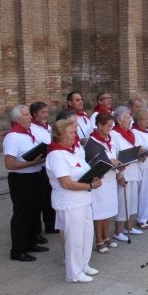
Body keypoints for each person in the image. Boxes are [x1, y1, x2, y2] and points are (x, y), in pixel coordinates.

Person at [46, 119, 102, 282]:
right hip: (69, 202)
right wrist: (89, 185)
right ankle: (74, 273)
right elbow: (66, 182)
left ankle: (84, 265)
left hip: (83, 199)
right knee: (74, 238)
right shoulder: (56, 155)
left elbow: (82, 172)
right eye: (71, 132)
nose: (74, 135)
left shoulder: (71, 151)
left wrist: (95, 178)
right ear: (60, 135)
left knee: (86, 234)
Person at [3, 105, 47, 261]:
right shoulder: (13, 136)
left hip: (36, 176)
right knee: (22, 214)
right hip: (21, 180)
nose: (30, 117)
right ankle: (18, 250)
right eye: (27, 115)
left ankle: (32, 242)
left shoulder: (27, 134)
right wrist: (32, 163)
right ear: (17, 118)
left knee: (35, 211)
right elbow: (9, 164)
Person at [87, 112, 121, 253]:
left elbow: (113, 156)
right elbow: (92, 161)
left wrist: (119, 168)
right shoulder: (93, 141)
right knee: (99, 210)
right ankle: (99, 240)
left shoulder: (110, 138)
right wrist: (110, 162)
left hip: (111, 177)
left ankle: (106, 236)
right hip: (99, 180)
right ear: (99, 125)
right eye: (108, 126)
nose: (110, 128)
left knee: (108, 209)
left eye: (112, 125)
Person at [111, 106, 144, 242]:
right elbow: (114, 155)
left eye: (130, 117)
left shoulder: (132, 133)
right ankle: (118, 231)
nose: (130, 120)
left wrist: (142, 154)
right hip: (123, 172)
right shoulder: (114, 135)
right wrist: (119, 174)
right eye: (127, 118)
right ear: (119, 120)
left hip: (134, 169)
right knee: (122, 202)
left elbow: (136, 148)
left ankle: (128, 227)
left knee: (131, 200)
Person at [29, 102, 58, 242]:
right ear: (34, 114)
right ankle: (36, 232)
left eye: (47, 112)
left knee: (49, 199)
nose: (46, 114)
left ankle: (51, 224)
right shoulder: (32, 128)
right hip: (39, 168)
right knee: (38, 202)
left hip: (49, 167)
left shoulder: (48, 127)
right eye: (43, 112)